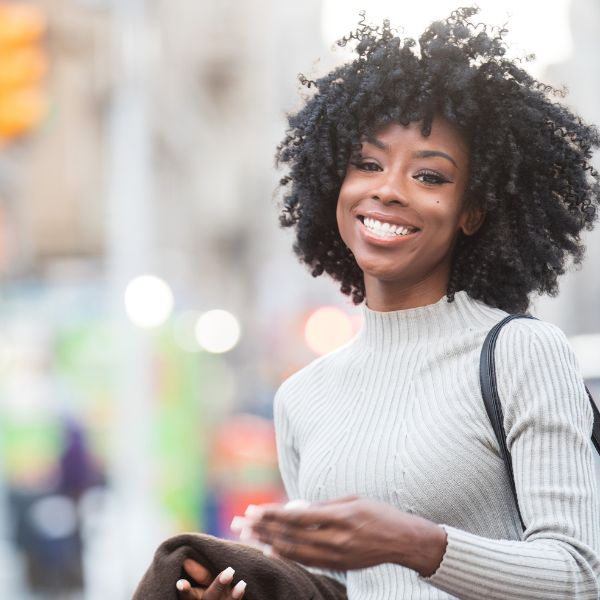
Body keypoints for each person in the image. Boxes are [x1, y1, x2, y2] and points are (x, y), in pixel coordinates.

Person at [176, 6, 600, 599]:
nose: (388, 190)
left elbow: (580, 576)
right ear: (333, 184)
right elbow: (337, 590)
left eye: (430, 177)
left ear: (472, 211)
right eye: (367, 165)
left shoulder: (522, 353)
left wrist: (416, 544)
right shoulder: (303, 396)